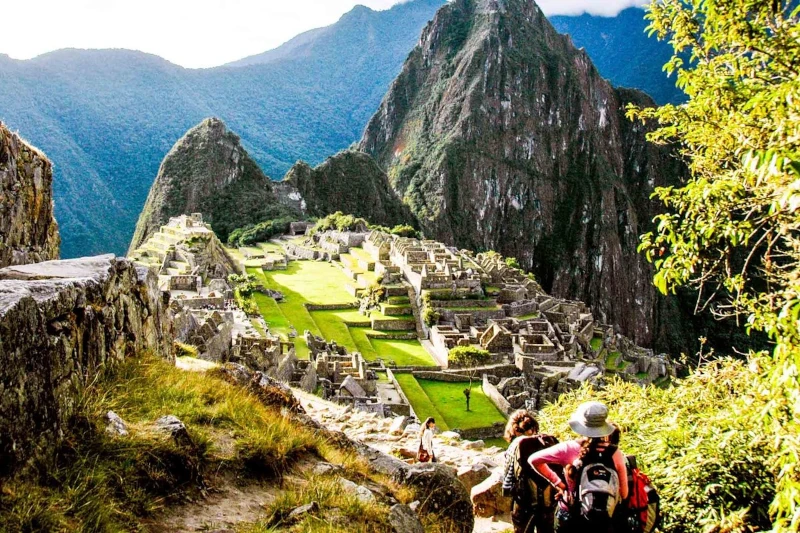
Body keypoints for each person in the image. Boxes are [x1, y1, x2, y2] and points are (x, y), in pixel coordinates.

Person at [529, 401, 628, 533]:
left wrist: (558, 483)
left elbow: (533, 460)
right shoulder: (615, 453)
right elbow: (624, 493)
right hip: (603, 520)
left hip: (571, 517)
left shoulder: (568, 448)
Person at [501, 410, 559, 533]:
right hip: (547, 501)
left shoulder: (515, 444)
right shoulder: (546, 441)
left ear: (514, 429)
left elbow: (507, 476)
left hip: (524, 502)